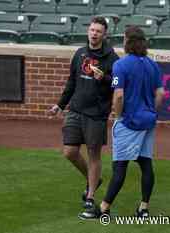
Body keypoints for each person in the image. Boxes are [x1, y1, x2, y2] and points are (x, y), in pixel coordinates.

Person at [79, 26, 164, 219]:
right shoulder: (153, 65)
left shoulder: (121, 65)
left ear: (128, 42)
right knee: (145, 164)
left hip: (129, 121)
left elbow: (118, 95)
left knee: (120, 166)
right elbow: (160, 94)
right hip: (148, 121)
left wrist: (118, 116)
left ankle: (103, 208)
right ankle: (143, 208)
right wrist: (152, 112)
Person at [48, 17, 119, 215]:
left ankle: (90, 197)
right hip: (75, 110)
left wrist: (103, 78)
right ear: (88, 31)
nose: (94, 33)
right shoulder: (80, 54)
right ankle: (92, 179)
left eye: (98, 31)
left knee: (94, 154)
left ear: (104, 35)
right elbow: (71, 82)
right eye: (92, 30)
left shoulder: (112, 58)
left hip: (96, 114)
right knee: (69, 152)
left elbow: (118, 83)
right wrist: (60, 105)